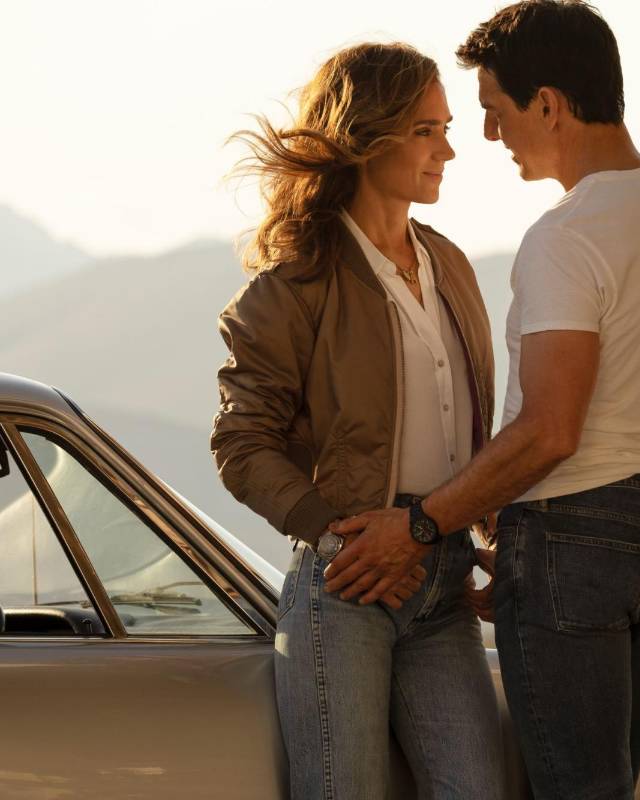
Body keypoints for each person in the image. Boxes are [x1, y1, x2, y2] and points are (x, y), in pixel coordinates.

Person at [322, 2, 640, 798]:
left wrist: (422, 524)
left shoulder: (568, 235)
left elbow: (552, 430)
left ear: (548, 104)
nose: (487, 136)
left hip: (573, 540)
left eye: (494, 111)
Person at [211, 42, 502, 800]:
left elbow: (477, 436)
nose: (449, 148)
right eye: (426, 130)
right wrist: (336, 531)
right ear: (368, 135)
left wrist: (500, 539)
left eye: (446, 128)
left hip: (443, 579)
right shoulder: (295, 284)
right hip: (347, 585)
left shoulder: (454, 268)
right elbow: (241, 445)